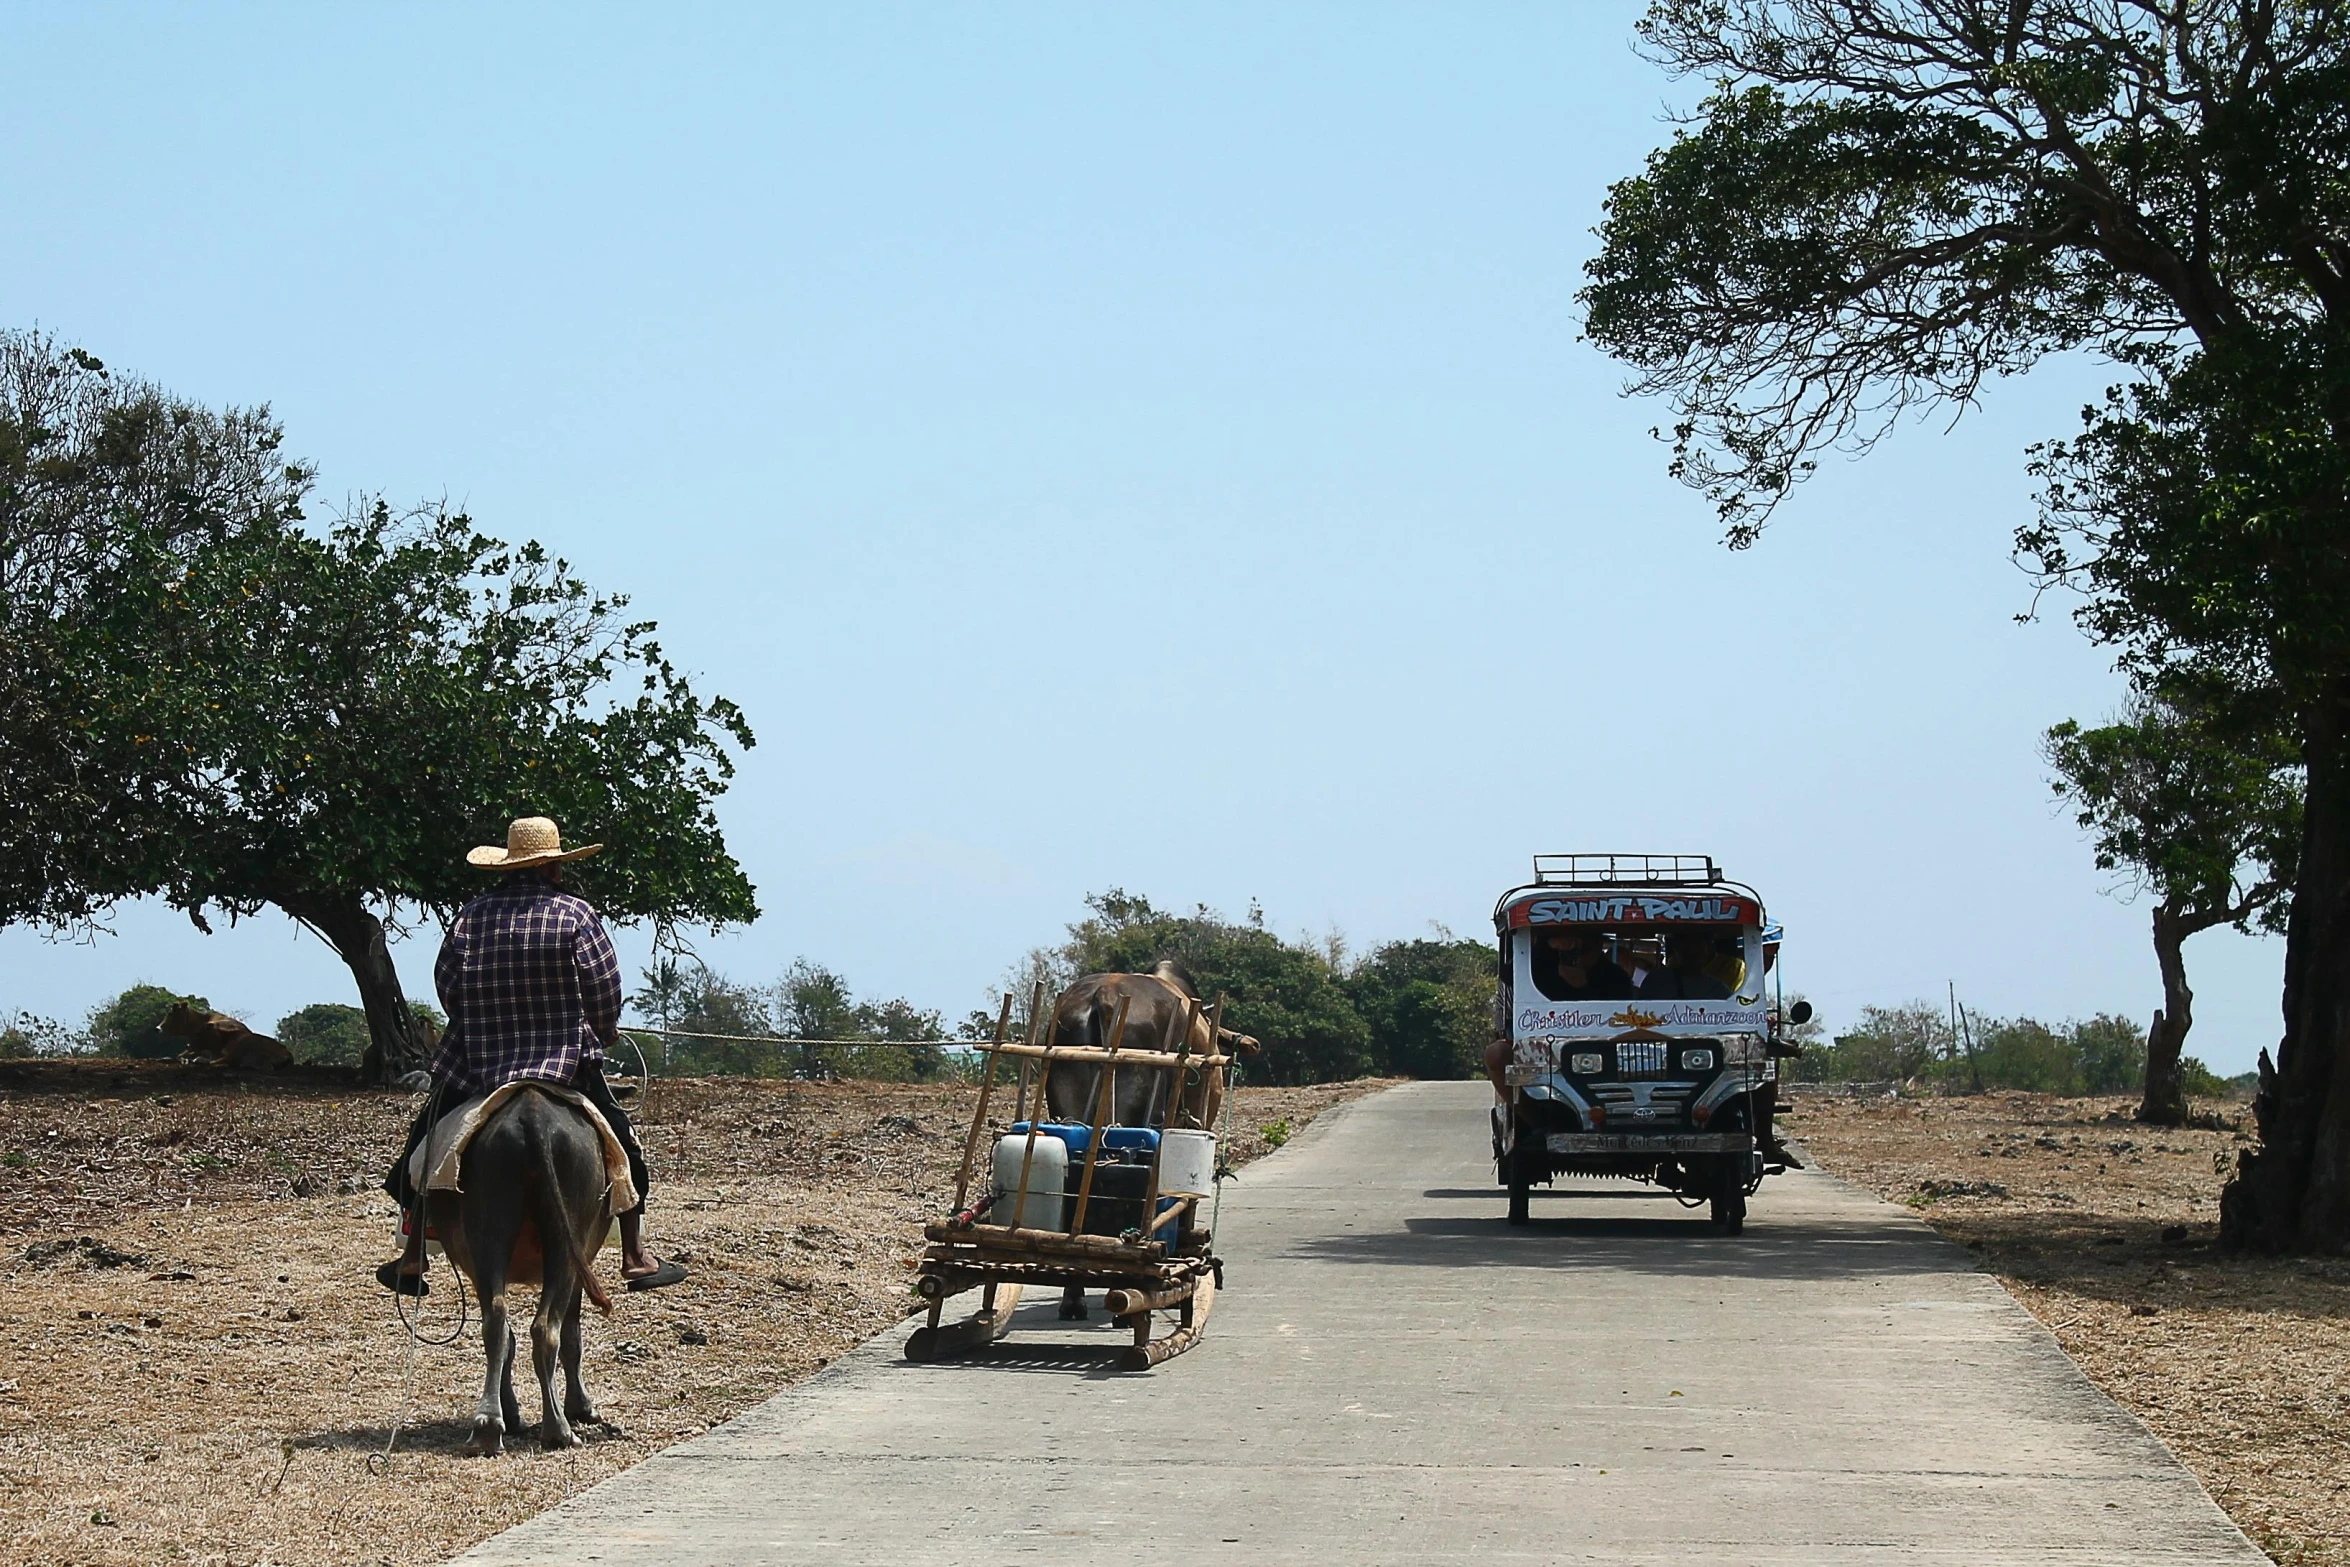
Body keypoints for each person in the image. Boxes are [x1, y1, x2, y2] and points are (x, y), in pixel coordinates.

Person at [378, 816, 686, 1295]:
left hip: (479, 1069)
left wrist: (482, 1022)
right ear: (555, 869)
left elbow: (449, 990)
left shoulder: (470, 917)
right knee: (622, 1145)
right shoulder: (577, 916)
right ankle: (635, 1255)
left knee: (421, 1143)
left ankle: (415, 1250)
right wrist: (598, 1034)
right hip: (564, 1067)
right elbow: (605, 993)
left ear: (506, 868)